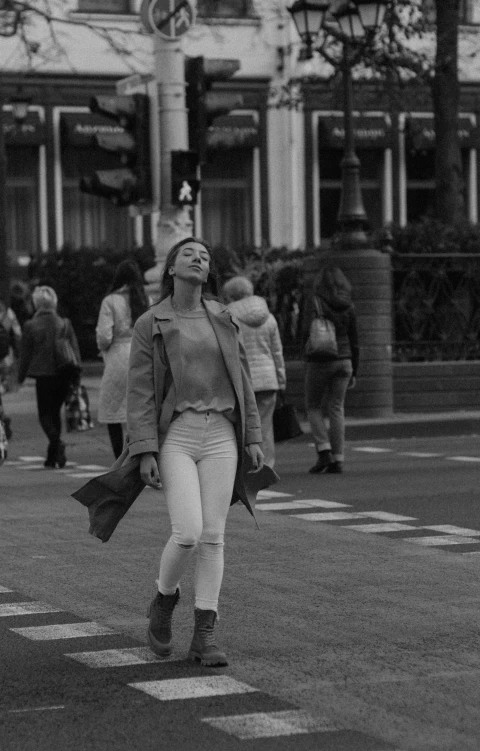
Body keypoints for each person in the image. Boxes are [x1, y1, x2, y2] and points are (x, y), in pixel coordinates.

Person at [126, 238, 264, 666]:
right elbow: (141, 392)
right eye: (190, 253)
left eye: (205, 256)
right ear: (171, 267)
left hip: (222, 432)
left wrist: (254, 436)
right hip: (178, 436)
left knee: (213, 535)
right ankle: (164, 600)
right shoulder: (151, 321)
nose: (199, 259)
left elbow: (242, 379)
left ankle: (204, 634)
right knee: (187, 531)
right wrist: (145, 450)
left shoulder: (222, 317)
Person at [222, 276, 286, 469]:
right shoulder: (269, 317)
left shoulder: (227, 317)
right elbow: (277, 352)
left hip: (242, 379)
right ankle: (266, 467)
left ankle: (244, 467)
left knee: (241, 426)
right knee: (265, 427)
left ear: (231, 295)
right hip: (268, 379)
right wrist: (281, 380)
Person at [302, 266, 359, 474]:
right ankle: (339, 458)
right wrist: (355, 370)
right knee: (337, 408)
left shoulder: (315, 301)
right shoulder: (349, 305)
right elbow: (355, 340)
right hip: (345, 361)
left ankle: (323, 450)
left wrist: (304, 353)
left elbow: (304, 330)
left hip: (320, 359)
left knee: (313, 405)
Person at [18, 285, 81, 468]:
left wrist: (20, 378)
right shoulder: (65, 323)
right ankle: (52, 455)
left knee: (45, 415)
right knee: (55, 413)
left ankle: (56, 445)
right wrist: (77, 376)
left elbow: (25, 355)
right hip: (64, 374)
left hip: (43, 375)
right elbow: (75, 351)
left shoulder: (30, 326)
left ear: (36, 304)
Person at [96, 259, 149, 459]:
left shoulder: (110, 301)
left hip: (117, 357)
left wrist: (103, 349)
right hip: (142, 355)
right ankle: (140, 454)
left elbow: (104, 336)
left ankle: (119, 457)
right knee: (140, 411)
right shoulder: (145, 300)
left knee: (113, 411)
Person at [0, 296, 22, 393]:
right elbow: (17, 333)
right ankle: (4, 385)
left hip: (5, 347)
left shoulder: (7, 313)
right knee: (6, 368)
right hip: (6, 348)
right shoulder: (8, 313)